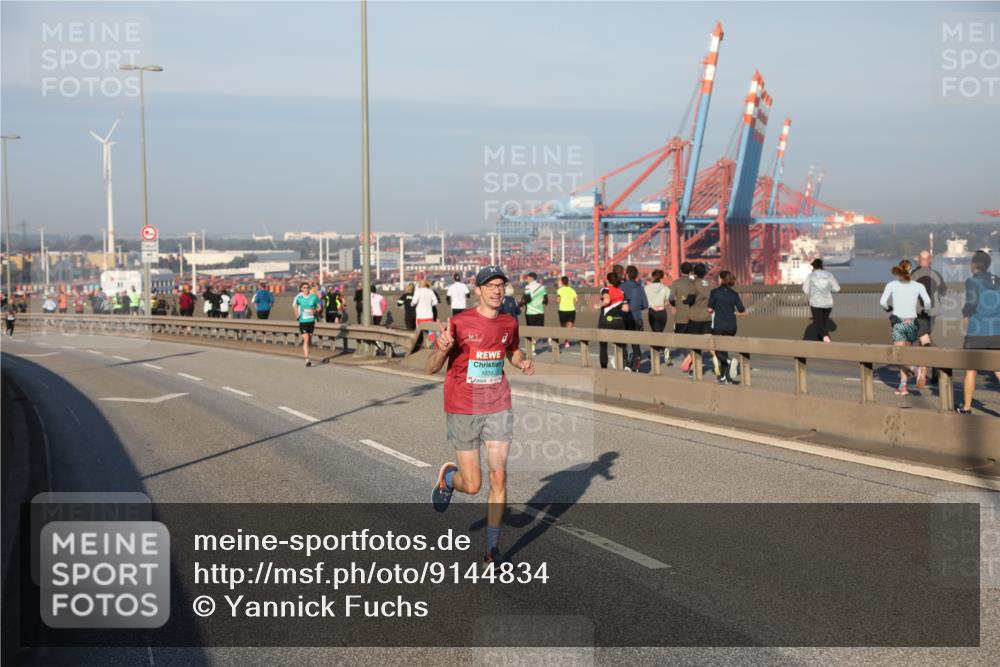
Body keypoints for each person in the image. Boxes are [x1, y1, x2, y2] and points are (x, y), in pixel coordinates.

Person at [427, 265, 534, 564]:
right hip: (463, 405)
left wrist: (522, 362)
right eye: (491, 285)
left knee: (499, 475)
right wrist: (442, 348)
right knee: (473, 485)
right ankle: (449, 478)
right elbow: (431, 367)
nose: (497, 290)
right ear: (479, 290)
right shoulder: (459, 323)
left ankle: (492, 551)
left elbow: (512, 352)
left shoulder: (509, 323)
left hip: (498, 403)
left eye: (501, 285)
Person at [879, 259, 931, 397]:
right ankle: (903, 386)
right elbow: (927, 302)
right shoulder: (918, 286)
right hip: (912, 322)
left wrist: (888, 308)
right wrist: (925, 311)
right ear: (910, 270)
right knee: (905, 354)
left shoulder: (891, 285)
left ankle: (915, 369)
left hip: (899, 322)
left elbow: (882, 302)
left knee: (899, 355)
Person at [957, 250, 1000, 415]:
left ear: (974, 265)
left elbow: (972, 301)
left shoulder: (972, 281)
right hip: (997, 330)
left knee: (971, 369)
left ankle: (967, 408)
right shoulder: (998, 280)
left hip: (977, 331)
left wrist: (965, 314)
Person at [911, 250, 947, 387]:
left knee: (924, 339)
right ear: (930, 260)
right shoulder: (936, 274)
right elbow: (943, 291)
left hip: (919, 312)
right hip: (933, 312)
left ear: (919, 260)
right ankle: (934, 369)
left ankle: (923, 367)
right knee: (927, 337)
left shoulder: (913, 275)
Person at [707, 270, 747, 384]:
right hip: (731, 326)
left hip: (719, 325)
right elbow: (741, 309)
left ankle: (729, 362)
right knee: (724, 349)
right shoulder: (734, 294)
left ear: (722, 279)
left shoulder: (714, 292)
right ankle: (725, 377)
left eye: (719, 278)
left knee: (716, 349)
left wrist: (713, 308)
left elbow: (710, 309)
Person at [682, 264, 713, 377]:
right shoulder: (709, 284)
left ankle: (695, 367)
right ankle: (717, 360)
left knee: (694, 343)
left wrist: (684, 301)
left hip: (695, 316)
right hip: (707, 316)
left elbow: (691, 299)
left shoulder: (693, 283)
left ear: (694, 273)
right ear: (704, 273)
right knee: (709, 341)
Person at [802, 258, 840, 342]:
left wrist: (813, 291)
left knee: (819, 325)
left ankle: (826, 340)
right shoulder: (829, 275)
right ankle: (821, 342)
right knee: (822, 325)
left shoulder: (811, 276)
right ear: (821, 266)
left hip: (816, 304)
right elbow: (837, 289)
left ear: (813, 267)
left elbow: (805, 290)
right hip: (828, 304)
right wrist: (828, 290)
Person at [597, 272, 628, 369]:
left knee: (603, 346)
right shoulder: (621, 292)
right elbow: (626, 309)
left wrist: (599, 305)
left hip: (606, 320)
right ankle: (621, 366)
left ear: (608, 280)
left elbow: (606, 300)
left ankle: (604, 369)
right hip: (619, 321)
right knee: (621, 346)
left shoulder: (605, 289)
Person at [621, 265, 649, 372]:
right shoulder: (640, 288)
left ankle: (625, 364)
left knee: (623, 344)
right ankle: (636, 366)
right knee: (636, 345)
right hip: (637, 318)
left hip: (625, 318)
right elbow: (645, 305)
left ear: (627, 274)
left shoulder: (622, 287)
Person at [670, 262, 695, 368]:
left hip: (680, 316)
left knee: (680, 338)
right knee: (693, 339)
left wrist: (675, 305)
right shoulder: (695, 283)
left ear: (681, 271)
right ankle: (692, 357)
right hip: (694, 316)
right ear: (691, 271)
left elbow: (671, 298)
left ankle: (689, 356)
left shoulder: (676, 283)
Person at [644, 269, 671, 366]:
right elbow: (670, 299)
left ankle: (664, 348)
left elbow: (644, 300)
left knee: (656, 334)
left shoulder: (647, 288)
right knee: (658, 333)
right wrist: (664, 304)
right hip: (662, 312)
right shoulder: (665, 288)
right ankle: (653, 355)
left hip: (652, 312)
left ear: (653, 277)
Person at [293, 281, 322, 367]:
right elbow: (295, 306)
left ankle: (307, 354)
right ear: (301, 289)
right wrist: (297, 315)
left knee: (309, 339)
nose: (306, 289)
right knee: (306, 339)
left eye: (307, 288)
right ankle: (307, 359)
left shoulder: (313, 297)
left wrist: (315, 311)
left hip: (311, 320)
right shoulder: (299, 298)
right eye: (304, 288)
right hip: (303, 321)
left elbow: (319, 307)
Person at [411, 279, 439, 345]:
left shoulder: (418, 291)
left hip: (420, 316)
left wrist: (412, 304)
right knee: (430, 331)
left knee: (419, 331)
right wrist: (429, 304)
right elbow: (435, 302)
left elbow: (414, 302)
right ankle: (432, 344)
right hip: (429, 315)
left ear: (420, 285)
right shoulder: (430, 291)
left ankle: (420, 344)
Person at [556, 276, 577, 348]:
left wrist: (559, 302)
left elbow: (558, 301)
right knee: (569, 326)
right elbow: (576, 300)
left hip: (562, 310)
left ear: (562, 282)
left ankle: (566, 340)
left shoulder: (559, 290)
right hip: (571, 310)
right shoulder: (572, 290)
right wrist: (571, 304)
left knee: (563, 326)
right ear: (568, 282)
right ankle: (567, 340)